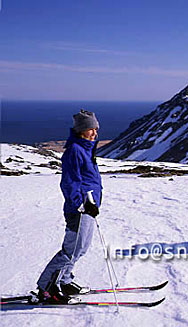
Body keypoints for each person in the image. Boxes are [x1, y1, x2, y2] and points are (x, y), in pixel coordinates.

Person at [36, 109, 102, 304]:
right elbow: (70, 183)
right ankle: (47, 286)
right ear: (82, 130)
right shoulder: (75, 151)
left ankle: (63, 281)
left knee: (81, 248)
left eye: (96, 129)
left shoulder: (87, 149)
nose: (95, 133)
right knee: (71, 250)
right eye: (91, 129)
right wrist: (81, 204)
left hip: (89, 207)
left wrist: (92, 204)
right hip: (79, 210)